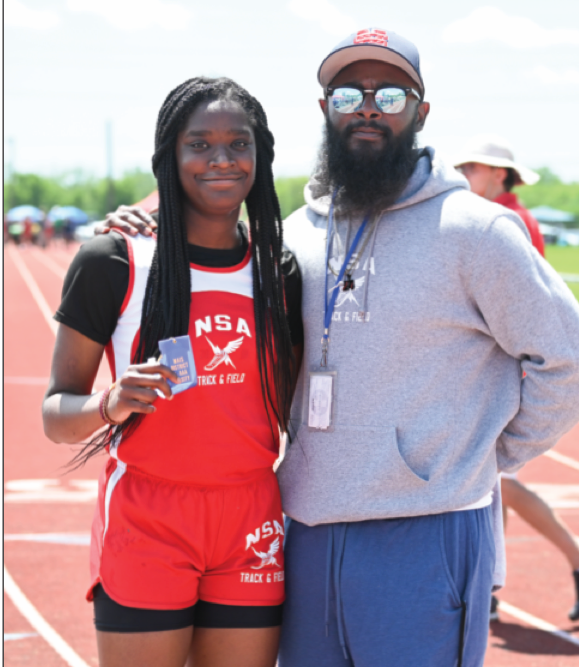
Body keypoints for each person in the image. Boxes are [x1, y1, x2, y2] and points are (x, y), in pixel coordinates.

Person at [102, 29, 579, 665]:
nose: (368, 108)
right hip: (305, 528)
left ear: (421, 112)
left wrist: (480, 458)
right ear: (325, 109)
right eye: (349, 94)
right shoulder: (294, 235)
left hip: (424, 530)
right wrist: (147, 222)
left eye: (390, 95)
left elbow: (565, 358)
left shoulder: (476, 230)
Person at [46, 78, 300, 667]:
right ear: (169, 156)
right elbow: (56, 416)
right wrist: (110, 402)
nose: (221, 159)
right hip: (148, 519)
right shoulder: (115, 260)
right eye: (199, 144)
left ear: (260, 155)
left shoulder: (279, 268)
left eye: (239, 144)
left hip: (251, 514)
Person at [447, 135, 579, 621]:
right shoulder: (494, 217)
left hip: (513, 375)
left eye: (472, 168)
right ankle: (488, 586)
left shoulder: (506, 222)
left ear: (498, 174)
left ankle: (569, 561)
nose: (464, 175)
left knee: (497, 479)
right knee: (494, 486)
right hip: (502, 372)